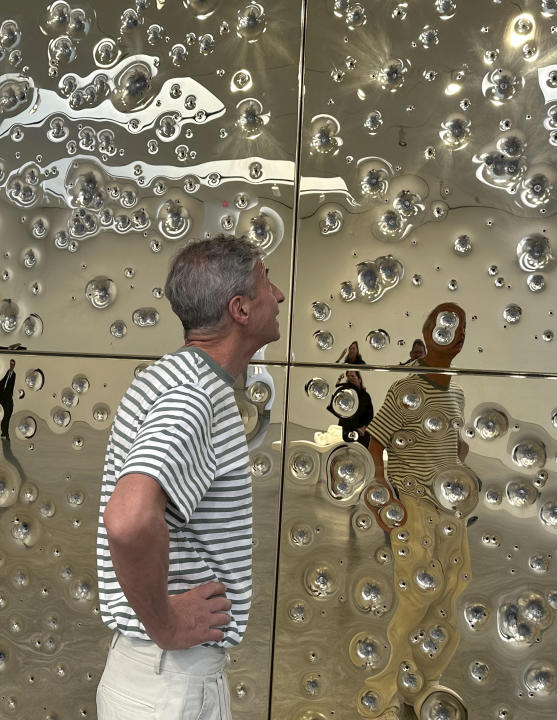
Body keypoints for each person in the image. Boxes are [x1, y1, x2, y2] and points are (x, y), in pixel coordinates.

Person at [96, 235, 284, 720]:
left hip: (153, 678)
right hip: (170, 682)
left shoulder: (170, 377)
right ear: (240, 308)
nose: (279, 295)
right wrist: (167, 627)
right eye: (268, 284)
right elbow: (129, 518)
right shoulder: (195, 395)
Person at [359, 303, 475, 719]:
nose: (450, 332)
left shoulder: (457, 392)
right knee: (414, 601)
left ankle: (422, 685)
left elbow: (454, 445)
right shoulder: (404, 388)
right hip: (413, 505)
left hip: (450, 512)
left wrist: (460, 462)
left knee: (448, 598)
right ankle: (382, 694)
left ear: (461, 339)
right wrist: (381, 496)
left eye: (459, 327)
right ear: (427, 333)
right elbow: (376, 443)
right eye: (441, 322)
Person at [328, 369, 375, 447]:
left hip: (361, 435)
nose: (350, 378)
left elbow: (370, 416)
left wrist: (363, 428)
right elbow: (337, 409)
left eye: (352, 376)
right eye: (348, 376)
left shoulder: (365, 396)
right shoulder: (345, 394)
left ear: (359, 380)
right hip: (345, 432)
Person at [0, 359, 15, 439]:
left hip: (8, 398)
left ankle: (6, 432)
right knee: (3, 415)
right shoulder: (6, 372)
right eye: (11, 364)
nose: (12, 366)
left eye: (13, 364)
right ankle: (4, 432)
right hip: (2, 397)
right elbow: (2, 382)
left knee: (7, 416)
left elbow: (12, 387)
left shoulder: (14, 375)